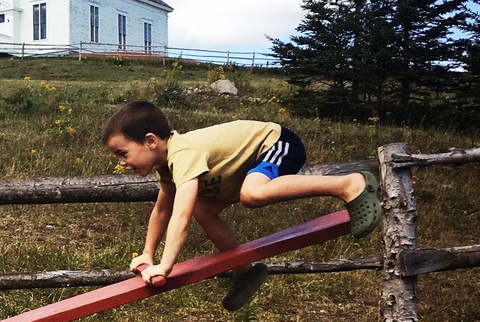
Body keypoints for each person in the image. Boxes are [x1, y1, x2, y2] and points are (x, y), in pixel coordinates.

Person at [101, 100, 380, 310]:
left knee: (251, 195)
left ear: (150, 141)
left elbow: (180, 216)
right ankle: (244, 271)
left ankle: (349, 185)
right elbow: (163, 209)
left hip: (276, 142)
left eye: (123, 153)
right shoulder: (168, 166)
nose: (121, 163)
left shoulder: (183, 153)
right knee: (204, 209)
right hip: (245, 167)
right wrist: (147, 254)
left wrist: (165, 266)